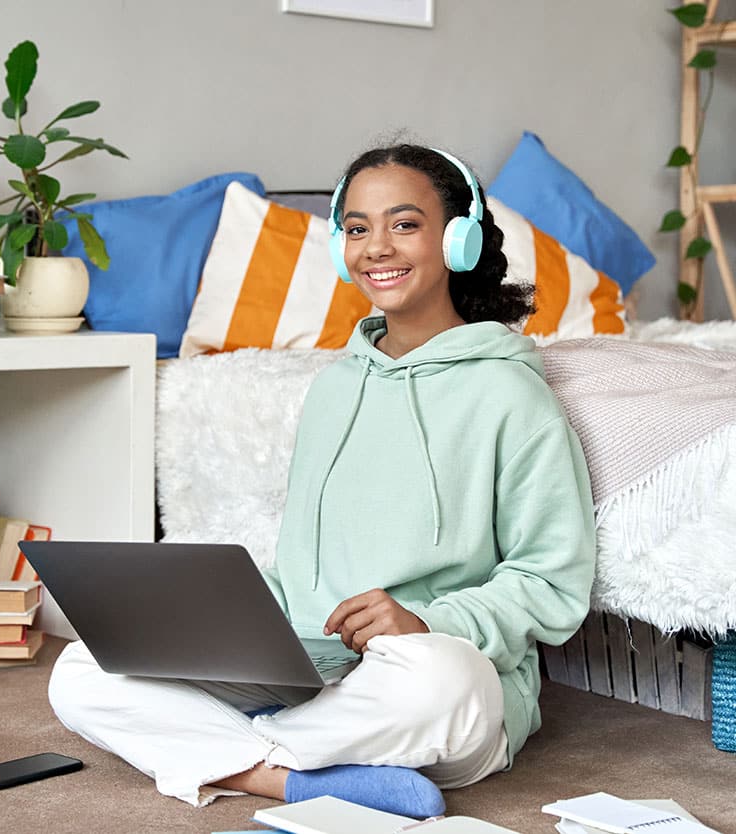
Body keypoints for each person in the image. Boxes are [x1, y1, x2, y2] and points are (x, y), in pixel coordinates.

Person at [48, 144, 596, 816]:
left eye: (404, 224)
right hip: (305, 674)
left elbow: (551, 581)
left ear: (458, 239)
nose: (376, 248)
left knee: (445, 683)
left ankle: (228, 755)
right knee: (80, 671)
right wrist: (242, 623)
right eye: (358, 229)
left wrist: (427, 620)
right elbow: (304, 559)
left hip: (424, 675)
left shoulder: (512, 394)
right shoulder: (334, 387)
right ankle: (293, 777)